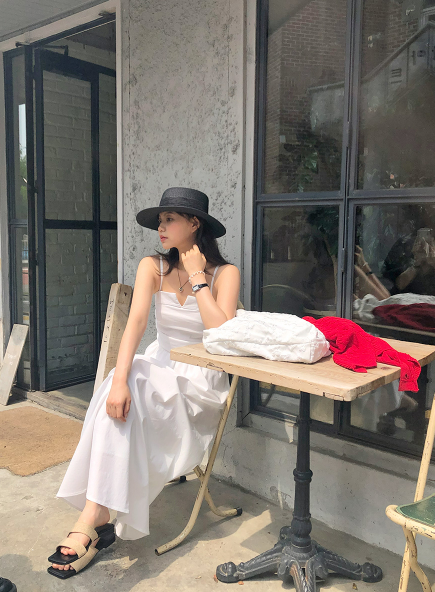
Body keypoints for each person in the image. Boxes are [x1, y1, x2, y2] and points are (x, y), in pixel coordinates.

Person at [47, 187, 240, 579]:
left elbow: (222, 336)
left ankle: (94, 517)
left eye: (169, 219)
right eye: (160, 220)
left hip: (199, 381)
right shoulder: (153, 266)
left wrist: (199, 278)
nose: (160, 227)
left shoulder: (226, 274)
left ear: (194, 224)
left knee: (133, 377)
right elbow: (135, 324)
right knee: (122, 385)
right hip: (157, 370)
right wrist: (118, 381)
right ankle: (96, 512)